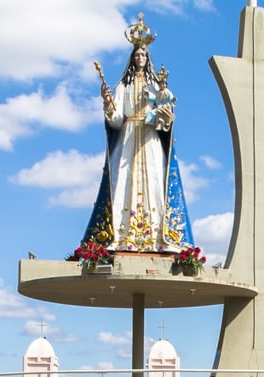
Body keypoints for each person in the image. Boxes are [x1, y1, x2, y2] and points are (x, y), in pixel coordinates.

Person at [81, 14, 193, 253]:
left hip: (150, 138)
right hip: (129, 137)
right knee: (122, 179)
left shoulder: (157, 87)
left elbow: (166, 116)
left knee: (154, 180)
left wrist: (166, 118)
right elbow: (115, 120)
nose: (140, 58)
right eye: (137, 55)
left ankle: (156, 238)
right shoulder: (123, 87)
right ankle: (121, 237)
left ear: (147, 58)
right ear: (132, 59)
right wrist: (108, 105)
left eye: (143, 55)